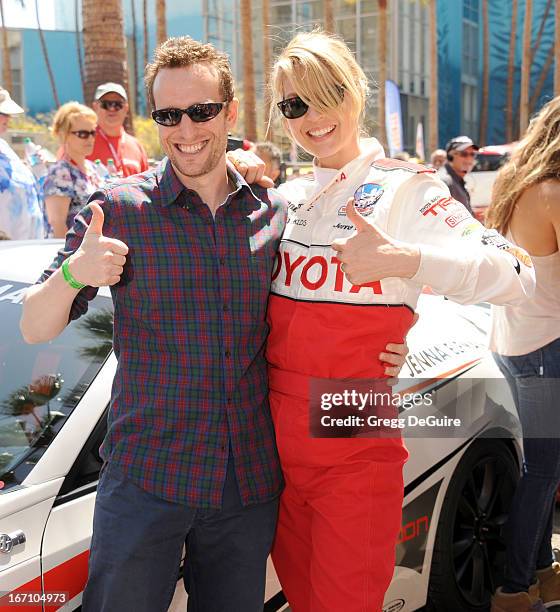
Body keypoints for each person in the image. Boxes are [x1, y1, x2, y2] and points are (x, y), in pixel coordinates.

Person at [19, 37, 408, 611]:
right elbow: (33, 327)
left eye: (200, 112)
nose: (185, 130)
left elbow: (325, 301)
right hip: (147, 479)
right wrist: (75, 275)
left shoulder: (275, 213)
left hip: (246, 485)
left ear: (229, 112)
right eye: (168, 115)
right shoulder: (119, 210)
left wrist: (393, 341)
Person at [231, 30, 535, 611]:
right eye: (294, 105)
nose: (312, 117)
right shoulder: (287, 197)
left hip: (352, 426)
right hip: (271, 439)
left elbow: (518, 272)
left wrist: (409, 262)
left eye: (327, 94)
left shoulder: (407, 189)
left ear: (358, 93)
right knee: (297, 594)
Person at [486, 98, 560, 612]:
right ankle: (513, 590)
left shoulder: (514, 185)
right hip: (545, 347)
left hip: (512, 342)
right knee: (544, 470)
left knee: (542, 466)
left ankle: (539, 576)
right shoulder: (553, 193)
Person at [44, 102, 106, 238]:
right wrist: (66, 259)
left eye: (92, 133)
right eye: (83, 134)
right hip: (72, 254)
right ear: (64, 135)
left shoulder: (94, 169)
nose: (90, 138)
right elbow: (57, 223)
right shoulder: (60, 172)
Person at [0, 88, 45, 239]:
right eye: (3, 113)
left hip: (23, 243)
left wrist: (34, 168)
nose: (8, 118)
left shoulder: (4, 146)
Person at [89, 82, 149, 177]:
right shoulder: (81, 141)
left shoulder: (137, 146)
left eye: (118, 104)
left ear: (126, 108)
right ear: (95, 107)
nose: (112, 109)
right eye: (106, 104)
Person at [438, 135, 478, 213]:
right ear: (450, 157)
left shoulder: (455, 179)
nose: (469, 159)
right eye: (464, 154)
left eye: (472, 154)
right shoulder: (445, 181)